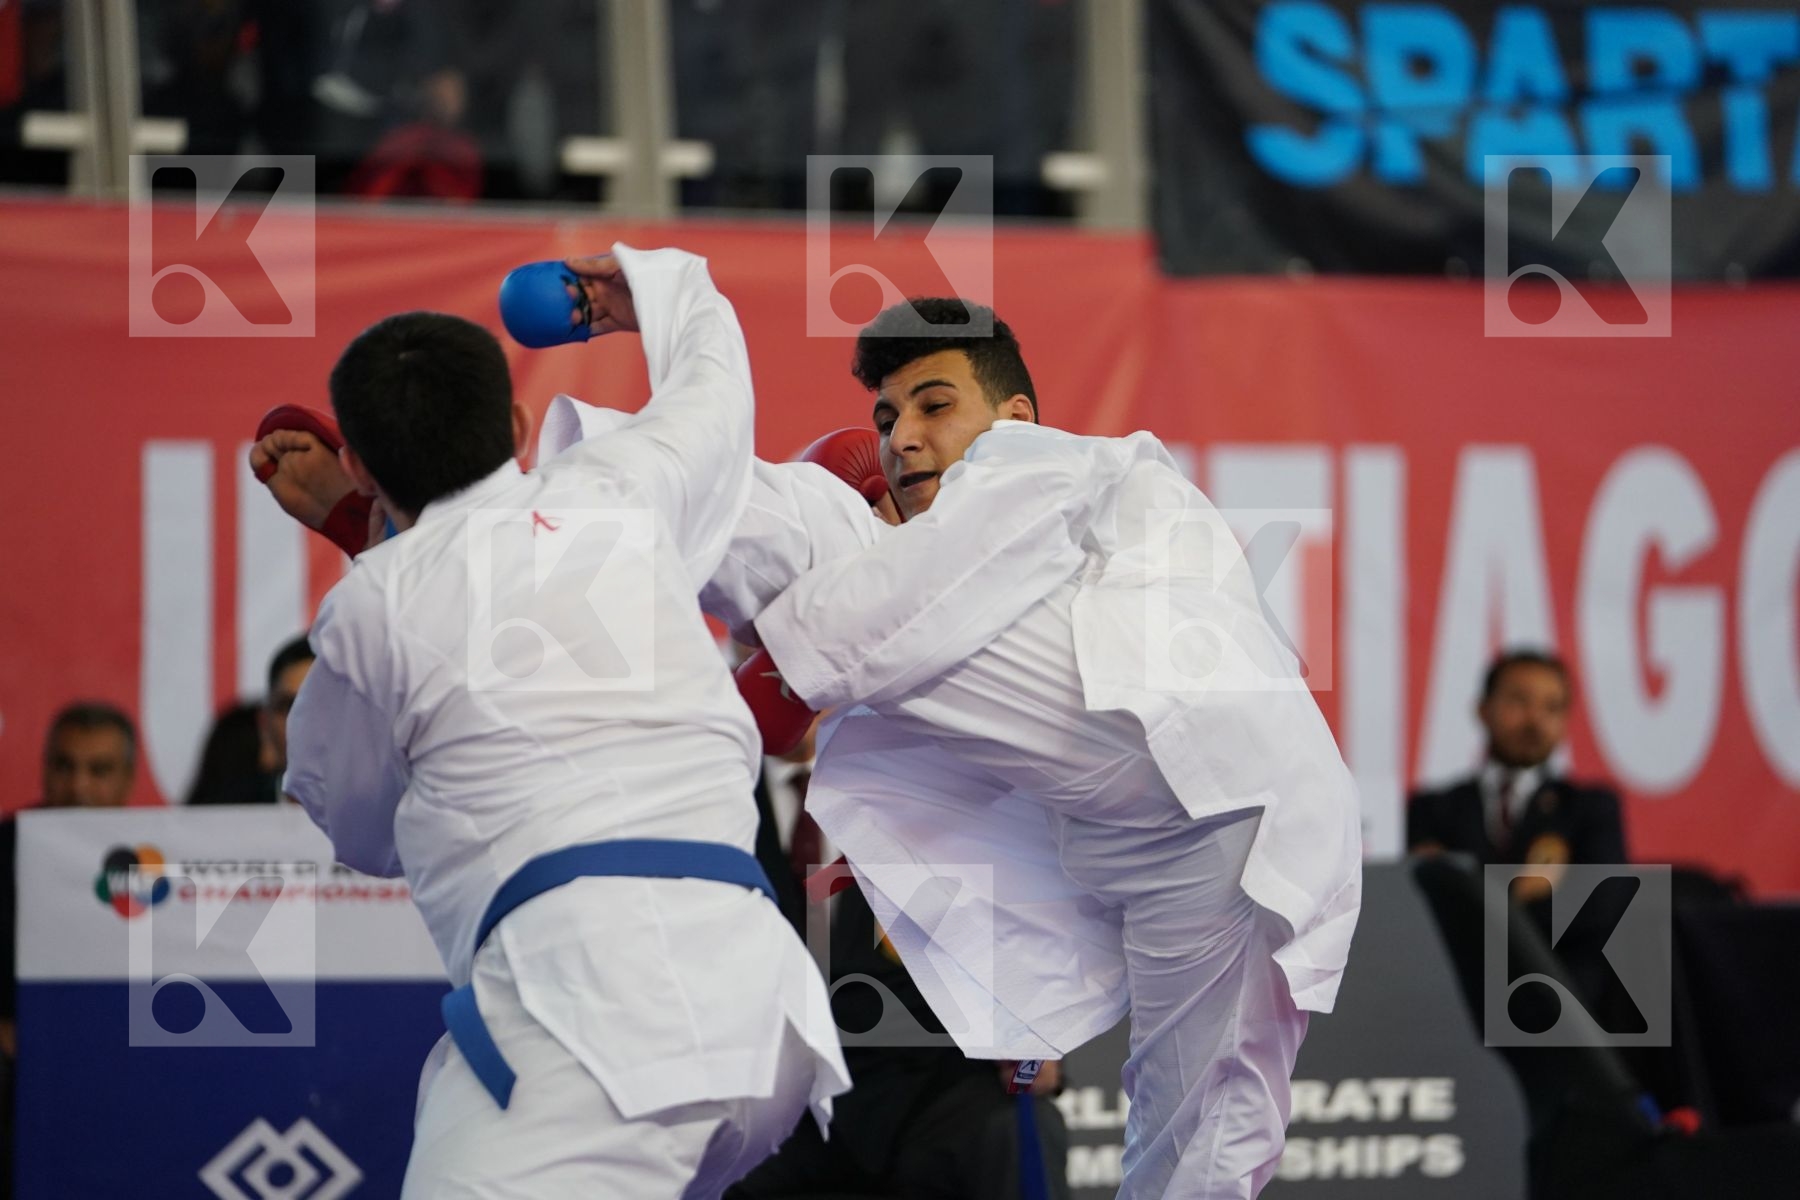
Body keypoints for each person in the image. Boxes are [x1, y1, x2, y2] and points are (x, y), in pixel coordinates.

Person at [675, 299, 1364, 1199]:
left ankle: (613, 493)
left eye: (934, 405)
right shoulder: (950, 582)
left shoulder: (1052, 465)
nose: (901, 438)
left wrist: (775, 677)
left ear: (1016, 417)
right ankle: (612, 507)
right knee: (1178, 1145)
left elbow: (920, 588)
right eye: (886, 418)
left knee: (1208, 1140)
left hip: (1230, 806)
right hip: (1139, 833)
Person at [255, 246, 848, 1197]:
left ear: (358, 464)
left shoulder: (373, 606)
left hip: (593, 1017)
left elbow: (361, 830)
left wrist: (375, 553)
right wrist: (653, 287)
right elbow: (712, 387)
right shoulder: (620, 489)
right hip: (763, 1009)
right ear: (521, 426)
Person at [1407, 648, 1627, 869]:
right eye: (1519, 701)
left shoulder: (1590, 809)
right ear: (1483, 710)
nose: (1535, 720)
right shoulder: (1433, 810)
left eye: (1552, 707)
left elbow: (1607, 888)